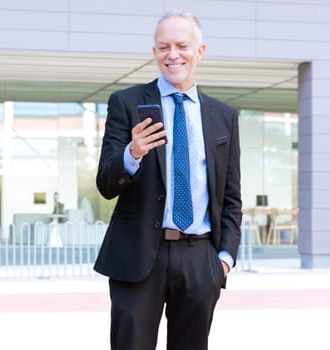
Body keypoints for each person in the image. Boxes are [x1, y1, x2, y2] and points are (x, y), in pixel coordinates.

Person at [94, 9, 242, 350]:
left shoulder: (223, 117)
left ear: (199, 51)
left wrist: (224, 260)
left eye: (181, 45)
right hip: (138, 256)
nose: (172, 55)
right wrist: (131, 154)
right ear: (154, 52)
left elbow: (231, 197)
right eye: (163, 47)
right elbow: (105, 183)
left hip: (200, 259)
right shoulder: (126, 103)